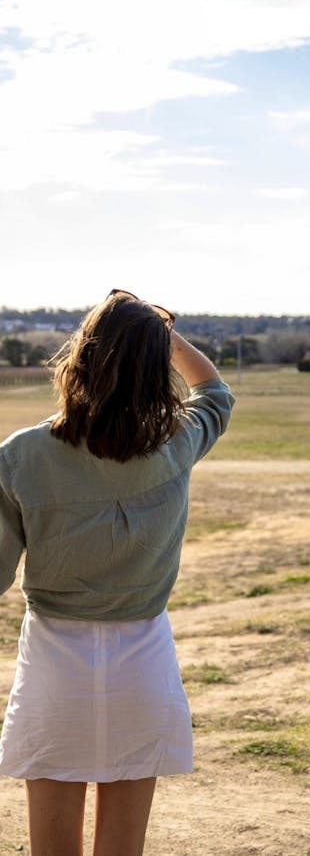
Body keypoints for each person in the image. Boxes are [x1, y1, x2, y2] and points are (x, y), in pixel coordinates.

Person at [0, 290, 235, 856]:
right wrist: (161, 331)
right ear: (156, 369)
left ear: (80, 359)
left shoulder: (20, 455)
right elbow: (215, 392)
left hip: (54, 661)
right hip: (144, 659)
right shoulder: (176, 444)